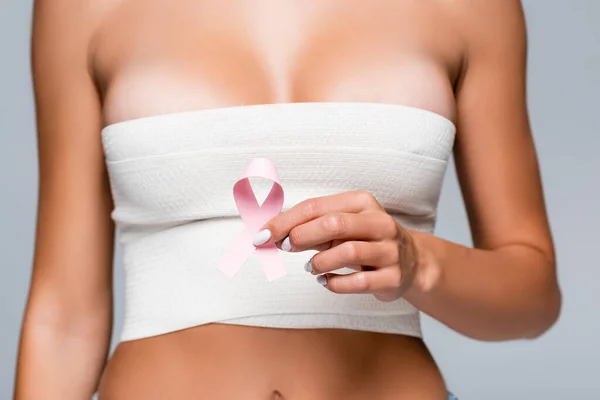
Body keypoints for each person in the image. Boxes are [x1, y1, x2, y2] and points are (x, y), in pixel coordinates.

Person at [15, 0, 562, 399]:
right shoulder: (78, 8)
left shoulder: (476, 8)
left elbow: (533, 299)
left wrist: (421, 263)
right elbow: (64, 317)